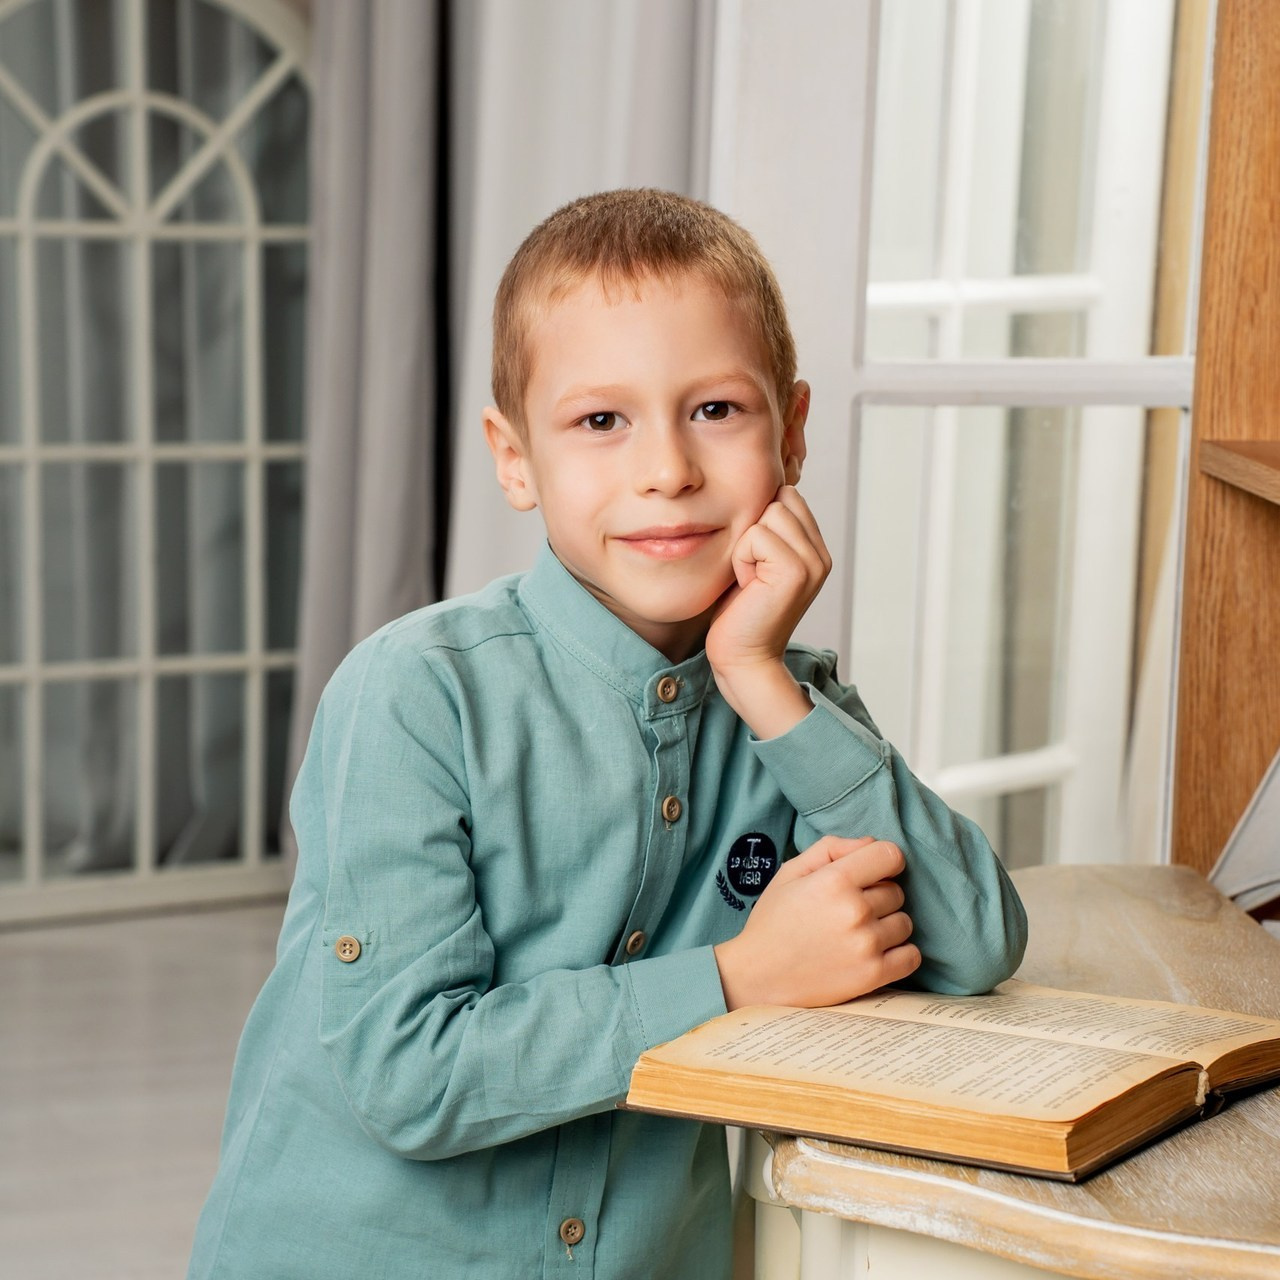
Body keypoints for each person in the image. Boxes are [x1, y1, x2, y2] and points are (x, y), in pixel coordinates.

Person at [187, 188, 1026, 1280]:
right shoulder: (413, 695)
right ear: (515, 456)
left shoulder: (786, 702)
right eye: (600, 420)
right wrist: (734, 975)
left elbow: (974, 940)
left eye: (716, 409)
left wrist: (760, 679)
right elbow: (411, 1070)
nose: (667, 468)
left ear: (795, 428)